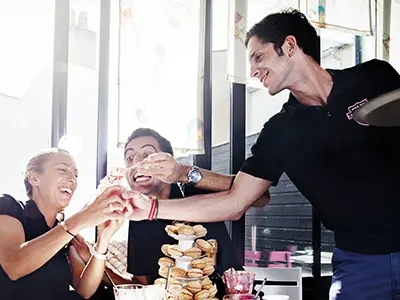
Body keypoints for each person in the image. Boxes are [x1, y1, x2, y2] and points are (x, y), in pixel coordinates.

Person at [127, 9, 400, 300]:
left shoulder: (375, 76)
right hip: (360, 262)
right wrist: (152, 209)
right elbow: (236, 201)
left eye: (258, 57)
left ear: (290, 46)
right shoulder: (279, 132)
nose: (254, 71)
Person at [0, 148, 131, 300]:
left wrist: (103, 240)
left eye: (75, 175)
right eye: (62, 169)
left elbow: (84, 289)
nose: (72, 179)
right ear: (35, 178)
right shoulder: (9, 206)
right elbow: (14, 266)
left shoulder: (64, 234)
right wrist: (82, 218)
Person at [123, 128, 245, 286]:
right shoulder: (138, 217)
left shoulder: (193, 187)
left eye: (147, 155)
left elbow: (257, 196)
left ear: (168, 160)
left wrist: (183, 172)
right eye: (129, 157)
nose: (137, 163)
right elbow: (143, 283)